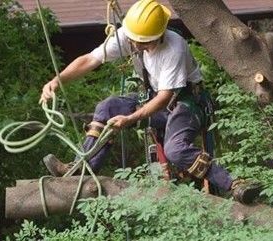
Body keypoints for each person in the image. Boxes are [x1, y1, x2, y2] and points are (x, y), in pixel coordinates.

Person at [40, 0, 259, 204]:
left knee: (175, 149)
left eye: (143, 42)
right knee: (107, 107)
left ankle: (233, 184)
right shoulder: (132, 34)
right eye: (134, 39)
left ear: (158, 35)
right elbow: (90, 59)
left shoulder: (174, 48)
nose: (135, 44)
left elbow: (165, 98)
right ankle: (82, 169)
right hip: (156, 98)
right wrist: (56, 81)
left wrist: (131, 118)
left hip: (186, 103)